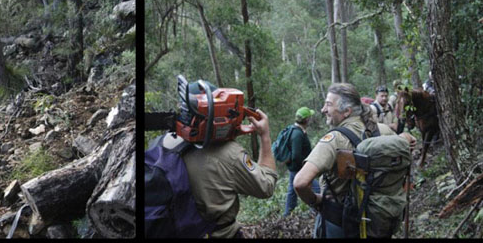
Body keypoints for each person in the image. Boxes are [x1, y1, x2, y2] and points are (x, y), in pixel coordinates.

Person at [293, 83, 416, 238]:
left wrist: (316, 201)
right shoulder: (382, 130)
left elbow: (300, 183)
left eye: (328, 104)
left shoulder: (334, 140)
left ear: (347, 111)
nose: (323, 109)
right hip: (377, 218)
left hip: (339, 222)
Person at [172, 104, 277, 238]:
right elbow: (266, 186)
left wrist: (229, 134)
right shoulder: (231, 154)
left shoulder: (172, 144)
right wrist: (264, 135)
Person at [283, 107, 321, 216]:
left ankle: (288, 214)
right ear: (306, 119)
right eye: (309, 117)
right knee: (317, 188)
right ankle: (315, 211)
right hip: (299, 168)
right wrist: (305, 168)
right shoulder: (297, 134)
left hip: (295, 168)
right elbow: (296, 155)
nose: (310, 119)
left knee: (292, 191)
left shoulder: (298, 131)